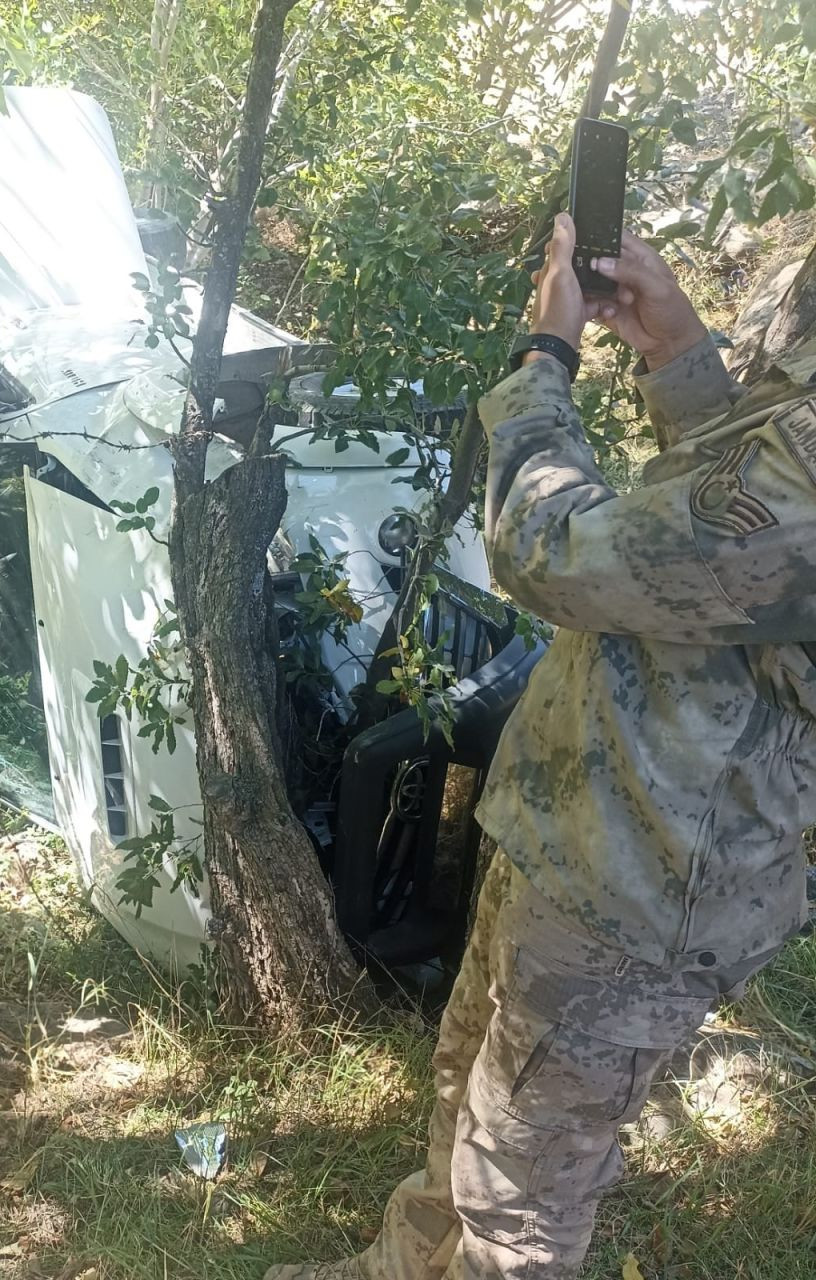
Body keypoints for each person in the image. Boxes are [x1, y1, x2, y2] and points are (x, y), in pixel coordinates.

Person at [266, 213, 816, 1280]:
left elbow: (553, 546)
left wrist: (544, 359)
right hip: (584, 820)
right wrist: (676, 357)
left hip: (647, 874)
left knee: (519, 1196)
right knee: (466, 1096)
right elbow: (739, 538)